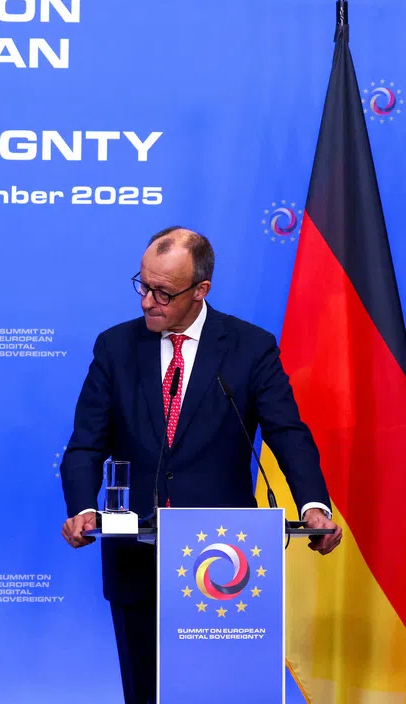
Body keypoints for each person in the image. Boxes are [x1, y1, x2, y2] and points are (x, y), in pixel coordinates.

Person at [59, 227, 342, 704]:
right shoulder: (114, 347)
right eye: (142, 285)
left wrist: (313, 503)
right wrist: (84, 508)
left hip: (225, 560)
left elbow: (287, 433)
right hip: (137, 558)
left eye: (163, 292)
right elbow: (86, 445)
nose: (148, 301)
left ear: (200, 291)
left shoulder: (250, 348)